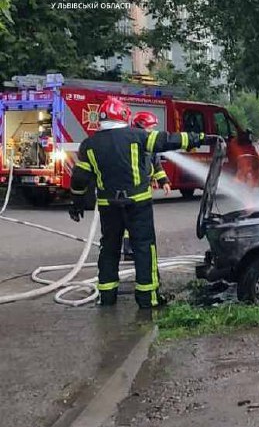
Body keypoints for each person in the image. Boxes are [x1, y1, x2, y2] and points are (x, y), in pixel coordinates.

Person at [68, 97, 218, 309]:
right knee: (144, 248)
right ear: (123, 116)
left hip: (108, 207)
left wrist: (76, 203)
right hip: (138, 205)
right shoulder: (137, 135)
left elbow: (79, 178)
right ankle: (148, 299)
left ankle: (107, 297)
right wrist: (200, 138)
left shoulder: (89, 145)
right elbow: (168, 140)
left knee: (109, 249)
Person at [121, 111, 172, 260]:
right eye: (150, 127)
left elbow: (156, 164)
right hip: (133, 188)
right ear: (140, 126)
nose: (152, 130)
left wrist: (164, 181)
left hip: (145, 188)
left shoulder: (149, 143)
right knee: (131, 221)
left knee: (142, 222)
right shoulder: (131, 142)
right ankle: (129, 250)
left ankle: (139, 249)